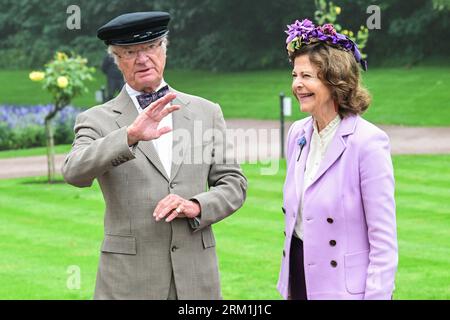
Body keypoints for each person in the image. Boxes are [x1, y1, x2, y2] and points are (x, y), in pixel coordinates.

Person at [62, 11, 247, 300]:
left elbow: (234, 184)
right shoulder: (96, 119)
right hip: (128, 282)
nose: (143, 58)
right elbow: (73, 171)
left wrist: (196, 205)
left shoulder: (206, 112)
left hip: (197, 281)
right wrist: (129, 136)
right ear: (116, 59)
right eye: (130, 52)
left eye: (151, 47)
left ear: (164, 50)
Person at [277, 19, 398, 300]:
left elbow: (383, 239)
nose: (297, 85)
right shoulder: (297, 133)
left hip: (343, 290)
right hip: (298, 280)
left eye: (307, 76)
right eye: (294, 75)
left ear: (335, 81)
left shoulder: (368, 142)